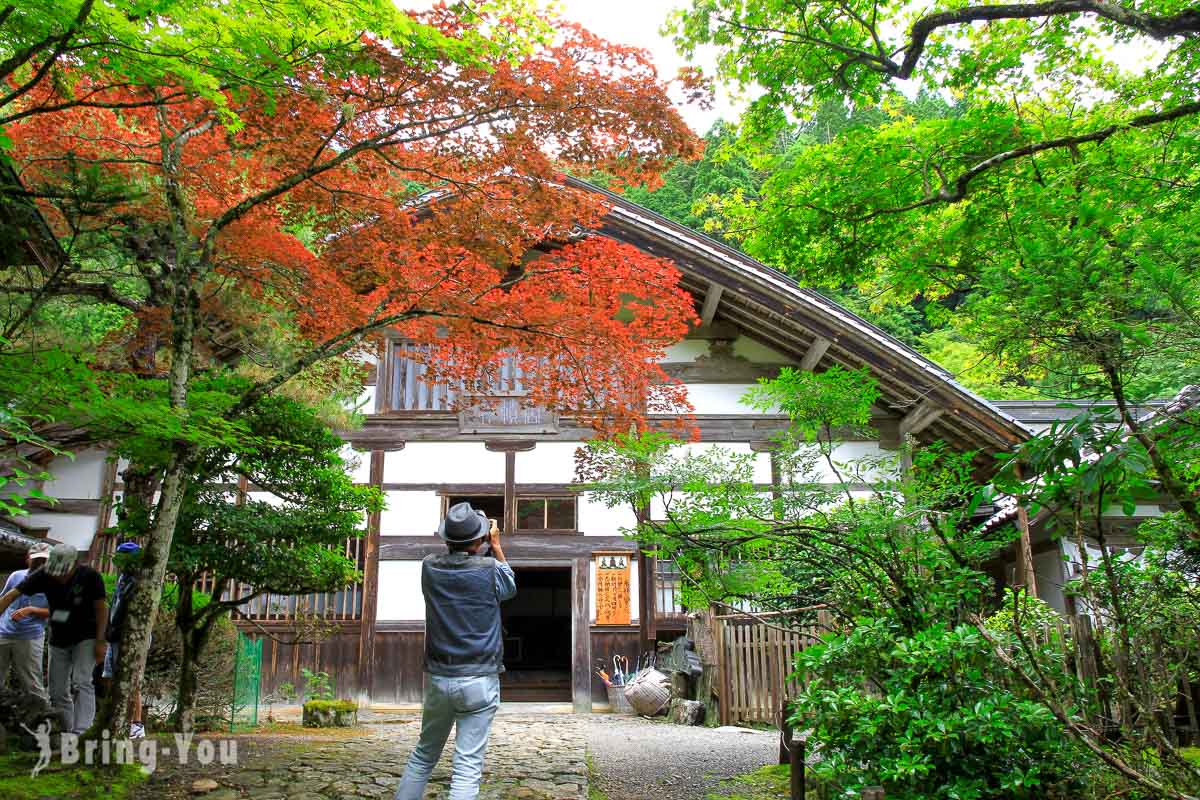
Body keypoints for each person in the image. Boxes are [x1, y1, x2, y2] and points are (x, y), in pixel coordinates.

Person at [394, 502, 517, 800]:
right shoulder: (490, 570)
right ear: (482, 539)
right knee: (467, 766)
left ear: (446, 539)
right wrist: (497, 547)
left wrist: (480, 545)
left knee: (423, 756)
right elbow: (510, 587)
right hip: (480, 677)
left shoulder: (429, 567)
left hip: (439, 675)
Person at [0, 543, 107, 734]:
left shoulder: (90, 577)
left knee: (82, 681)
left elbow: (101, 609)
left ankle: (81, 731)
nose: (58, 576)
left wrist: (101, 641)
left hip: (87, 635)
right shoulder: (43, 575)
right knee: (57, 689)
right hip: (59, 636)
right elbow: (10, 596)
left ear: (75, 564)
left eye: (63, 572)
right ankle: (65, 731)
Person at [103, 542, 146, 738]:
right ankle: (114, 717)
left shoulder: (140, 580)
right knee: (111, 675)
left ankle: (136, 723)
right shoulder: (123, 578)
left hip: (131, 635)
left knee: (131, 678)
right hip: (114, 634)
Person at [0, 542, 51, 700]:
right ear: (28, 559)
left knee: (32, 684)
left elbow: (59, 612)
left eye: (44, 560)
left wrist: (32, 610)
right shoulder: (17, 576)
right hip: (3, 632)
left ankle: (45, 720)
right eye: (36, 559)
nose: (40, 563)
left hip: (30, 636)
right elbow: (4, 599)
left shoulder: (54, 582)